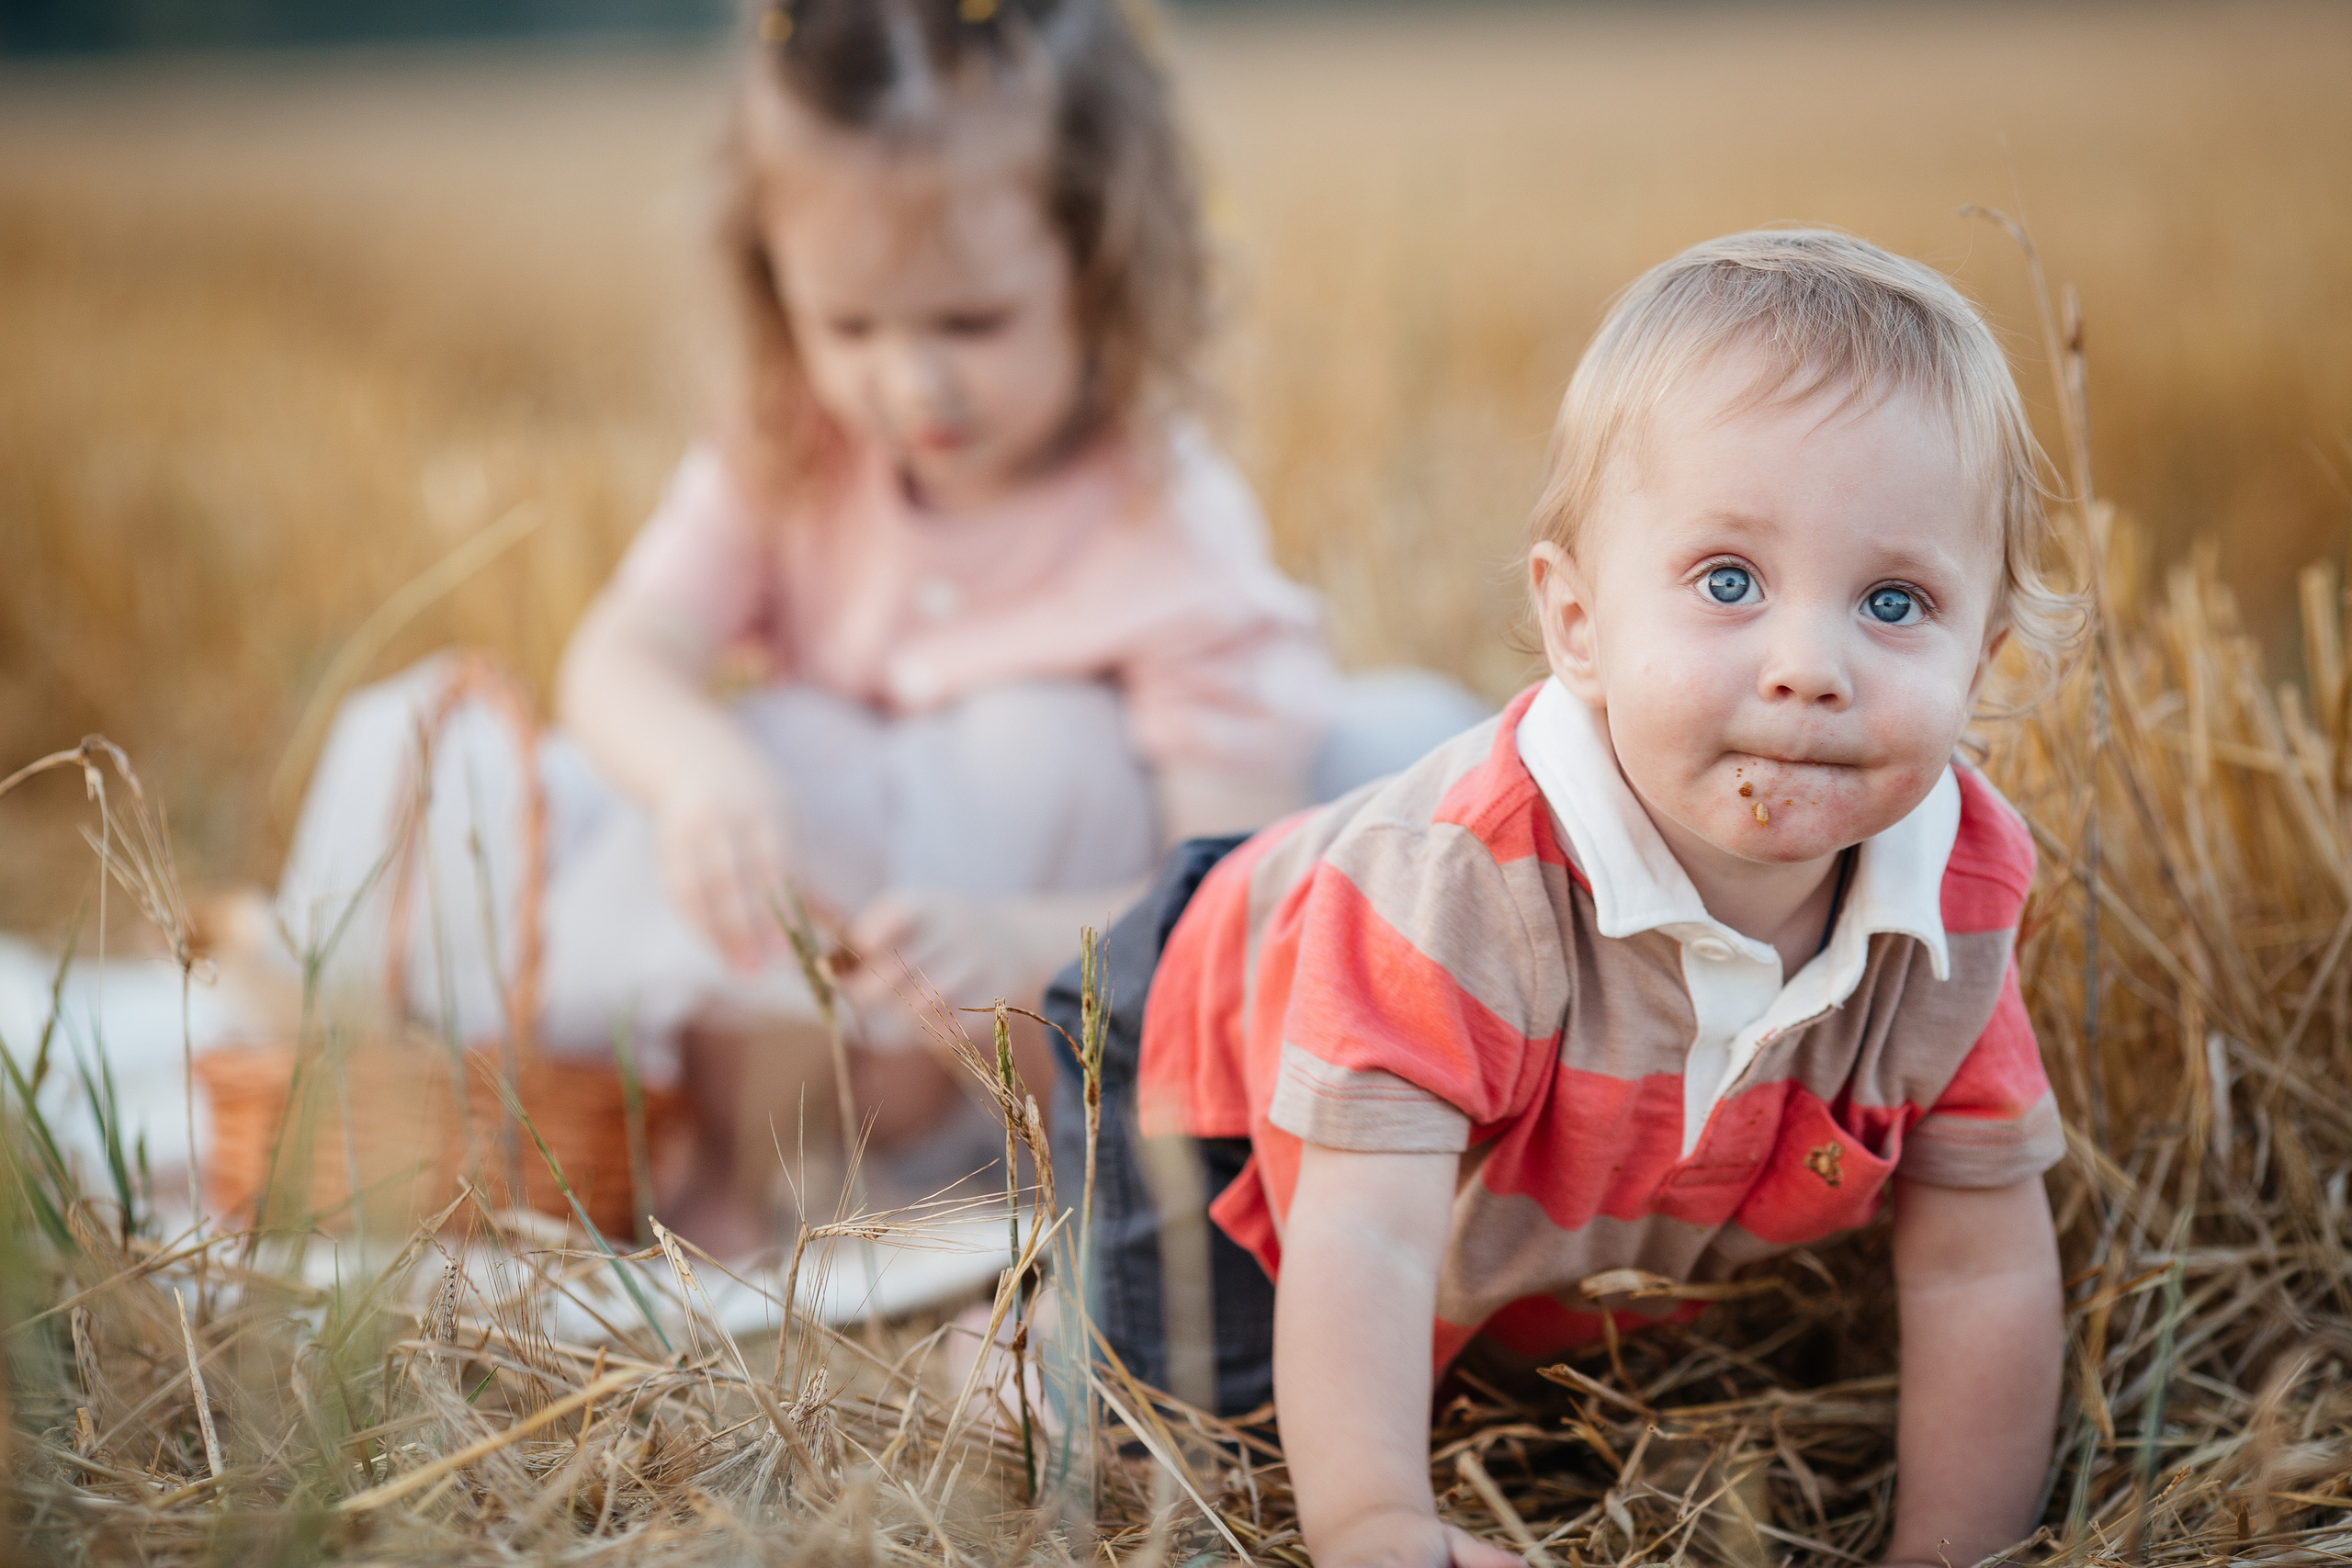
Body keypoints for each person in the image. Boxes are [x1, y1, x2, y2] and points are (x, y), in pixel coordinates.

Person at [270, 0, 1484, 1258]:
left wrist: (1033, 940)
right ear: (774, 284)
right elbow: (622, 660)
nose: (912, 385)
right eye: (848, 326)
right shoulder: (794, 448)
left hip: (1040, 1024)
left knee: (1037, 748)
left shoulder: (1162, 525)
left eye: (972, 323)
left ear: (1104, 265)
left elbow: (1230, 885)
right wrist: (708, 776)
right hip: (830, 991)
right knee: (738, 771)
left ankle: (954, 1180)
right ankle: (738, 1179)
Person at [1050, 230, 2080, 1568]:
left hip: (1459, 1163)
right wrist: (1375, 1528)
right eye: (1729, 582)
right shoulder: (1467, 888)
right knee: (1210, 1485)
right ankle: (1021, 1347)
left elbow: (1980, 1264)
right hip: (1215, 1064)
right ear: (1579, 623)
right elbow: (1360, 1239)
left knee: (1495, 1375)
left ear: (1984, 652)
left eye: (1895, 601)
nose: (1808, 665)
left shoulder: (1956, 898)